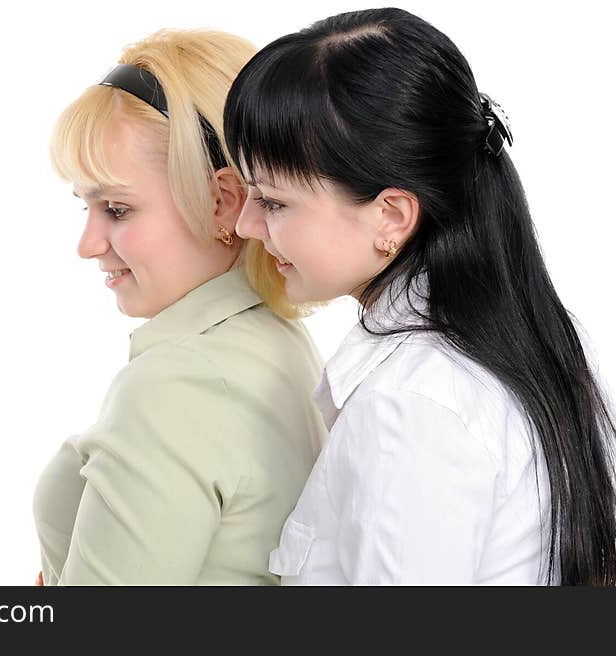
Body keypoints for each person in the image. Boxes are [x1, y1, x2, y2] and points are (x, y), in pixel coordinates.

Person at [0, 28, 326, 585]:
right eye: (87, 206)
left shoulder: (178, 389)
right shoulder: (275, 345)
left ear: (223, 203)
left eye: (118, 209)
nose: (88, 244)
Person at [223, 8, 616, 584]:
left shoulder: (412, 406)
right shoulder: (544, 337)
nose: (245, 225)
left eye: (273, 201)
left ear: (391, 215)